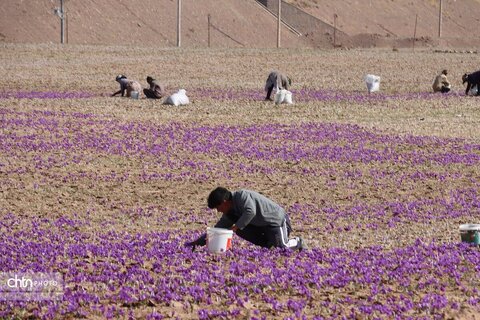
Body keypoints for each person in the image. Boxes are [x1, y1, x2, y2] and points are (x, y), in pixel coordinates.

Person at [185, 187, 306, 251]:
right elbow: (217, 230)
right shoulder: (229, 213)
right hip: (262, 226)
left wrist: (236, 227)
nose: (218, 211)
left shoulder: (242, 196)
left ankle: (298, 242)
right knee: (240, 230)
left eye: (218, 207)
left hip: (276, 221)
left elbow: (250, 211)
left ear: (224, 202)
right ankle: (269, 244)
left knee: (282, 248)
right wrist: (196, 243)